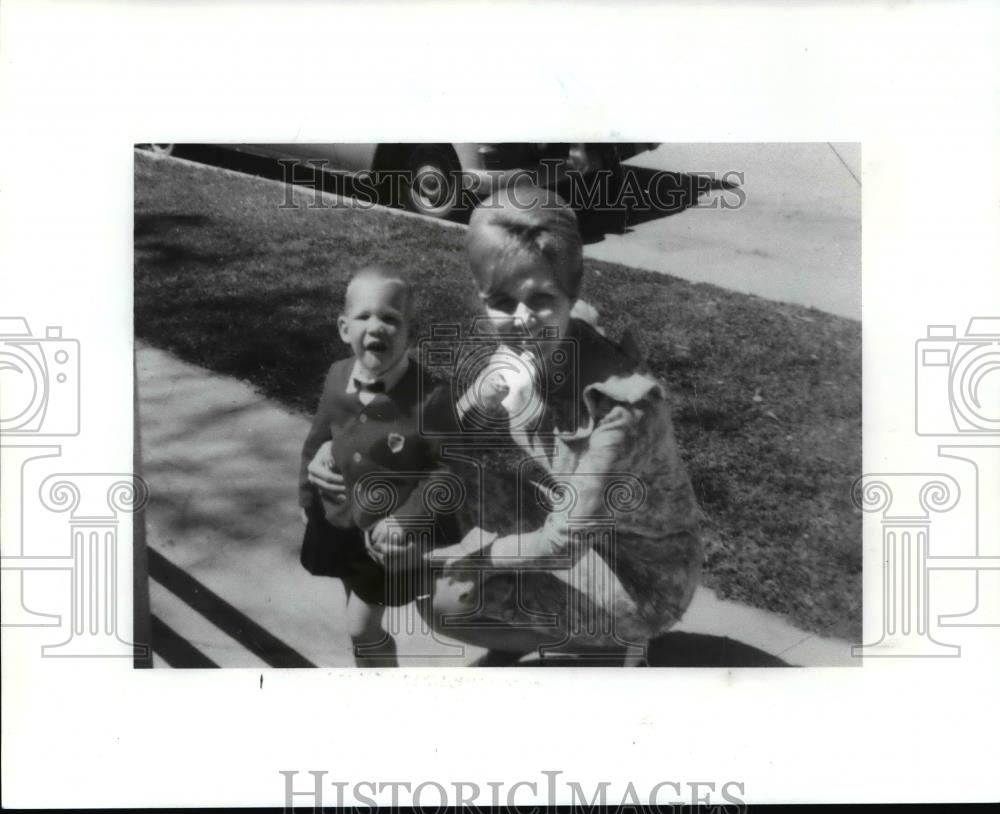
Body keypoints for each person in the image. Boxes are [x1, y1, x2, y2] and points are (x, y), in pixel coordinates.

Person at [308, 186, 703, 666]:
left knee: (445, 601)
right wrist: (336, 448)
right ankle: (526, 616)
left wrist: (436, 558)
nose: (520, 322)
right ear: (482, 296)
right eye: (500, 300)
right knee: (447, 488)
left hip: (642, 576)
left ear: (570, 294)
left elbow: (560, 547)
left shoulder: (619, 411)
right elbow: (448, 436)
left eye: (539, 298)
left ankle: (612, 644)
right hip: (582, 525)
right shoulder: (528, 347)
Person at [298, 265, 458, 667]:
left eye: (390, 318)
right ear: (343, 328)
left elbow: (447, 471)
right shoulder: (337, 376)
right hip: (337, 521)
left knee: (360, 626)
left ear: (410, 333)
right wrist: (306, 495)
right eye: (364, 316)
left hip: (388, 537)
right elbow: (319, 437)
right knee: (355, 613)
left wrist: (407, 520)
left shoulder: (431, 396)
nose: (377, 326)